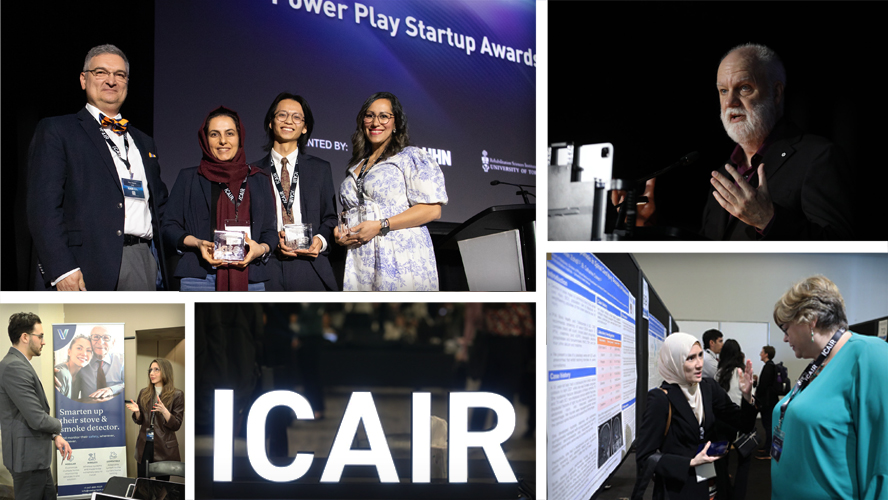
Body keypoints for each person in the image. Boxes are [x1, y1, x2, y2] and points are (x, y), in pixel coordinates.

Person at [27, 44, 168, 291]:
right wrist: (61, 268)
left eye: (119, 75)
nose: (111, 81)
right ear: (83, 79)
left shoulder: (144, 141)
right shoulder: (58, 130)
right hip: (84, 263)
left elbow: (160, 206)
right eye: (100, 72)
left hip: (142, 259)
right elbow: (43, 207)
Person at [703, 43, 854, 240]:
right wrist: (653, 230)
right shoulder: (724, 174)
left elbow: (839, 244)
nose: (730, 101)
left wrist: (768, 221)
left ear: (775, 93)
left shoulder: (818, 158)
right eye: (723, 90)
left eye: (744, 88)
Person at [770, 275, 888, 500]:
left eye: (786, 328)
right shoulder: (818, 365)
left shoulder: (870, 354)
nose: (785, 339)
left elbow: (882, 461)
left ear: (810, 320)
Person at [334, 92, 448, 291]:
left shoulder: (410, 157)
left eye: (384, 116)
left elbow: (432, 210)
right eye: (369, 116)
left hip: (400, 254)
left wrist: (381, 225)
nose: (375, 122)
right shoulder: (356, 166)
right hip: (361, 259)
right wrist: (341, 230)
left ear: (396, 124)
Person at [163, 106, 277, 291]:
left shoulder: (258, 179)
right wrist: (198, 243)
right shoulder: (189, 178)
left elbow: (270, 232)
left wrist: (261, 249)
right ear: (205, 139)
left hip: (251, 276)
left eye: (230, 133)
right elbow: (168, 227)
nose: (223, 141)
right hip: (199, 276)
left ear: (240, 138)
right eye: (214, 134)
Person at [634, 332, 757, 500]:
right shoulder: (661, 399)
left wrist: (747, 397)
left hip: (712, 482)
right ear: (674, 362)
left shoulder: (708, 388)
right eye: (690, 358)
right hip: (679, 489)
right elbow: (645, 456)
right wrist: (690, 463)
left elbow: (743, 424)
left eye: (700, 356)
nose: (699, 364)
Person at [253, 93, 338, 291]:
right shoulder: (252, 172)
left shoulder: (321, 168)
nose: (289, 120)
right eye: (282, 115)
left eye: (296, 117)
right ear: (271, 123)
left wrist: (320, 240)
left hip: (311, 265)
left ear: (305, 127)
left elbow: (330, 218)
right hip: (268, 265)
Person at [0, 313, 73, 500]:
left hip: (35, 459)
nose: (43, 342)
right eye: (40, 336)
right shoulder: (14, 367)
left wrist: (55, 436)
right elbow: (37, 418)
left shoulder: (19, 364)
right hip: (28, 461)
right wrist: (59, 426)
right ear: (25, 337)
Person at [125, 359, 184, 479]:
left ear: (166, 372)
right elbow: (140, 421)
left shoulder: (177, 394)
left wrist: (164, 411)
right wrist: (137, 412)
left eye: (156, 369)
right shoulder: (144, 393)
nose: (152, 373)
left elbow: (176, 425)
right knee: (142, 482)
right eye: (150, 370)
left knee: (162, 486)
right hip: (145, 444)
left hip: (164, 446)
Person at [715, 339, 752, 500]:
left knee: (722, 462)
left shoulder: (719, 372)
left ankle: (726, 492)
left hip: (721, 422)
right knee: (745, 458)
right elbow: (747, 397)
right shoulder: (740, 372)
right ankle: (739, 494)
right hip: (738, 419)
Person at [71, 326, 124, 399]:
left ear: (113, 342)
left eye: (106, 338)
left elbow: (129, 385)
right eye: (96, 337)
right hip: (89, 408)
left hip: (116, 406)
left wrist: (112, 389)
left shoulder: (122, 361)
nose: (100, 342)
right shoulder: (82, 361)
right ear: (90, 340)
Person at [753, 345, 778, 459]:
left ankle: (769, 450)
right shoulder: (770, 367)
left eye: (762, 352)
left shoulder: (768, 367)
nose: (760, 354)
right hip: (770, 401)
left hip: (767, 402)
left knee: (768, 425)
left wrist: (757, 397)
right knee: (768, 425)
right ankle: (768, 448)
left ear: (766, 354)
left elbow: (763, 386)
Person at [54, 334, 93, 398]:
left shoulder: (80, 376)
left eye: (88, 350)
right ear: (69, 352)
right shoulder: (61, 373)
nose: (84, 353)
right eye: (79, 348)